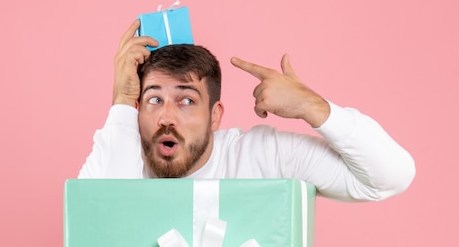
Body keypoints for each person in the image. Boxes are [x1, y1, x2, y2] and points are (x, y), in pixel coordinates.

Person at [78, 20, 415, 202]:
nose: (166, 117)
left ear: (215, 115)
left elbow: (389, 179)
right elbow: (95, 225)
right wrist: (123, 98)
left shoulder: (261, 157)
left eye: (186, 101)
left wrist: (313, 108)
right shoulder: (117, 157)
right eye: (153, 100)